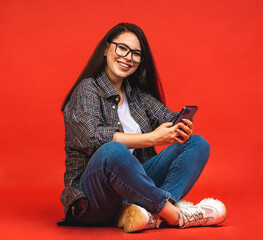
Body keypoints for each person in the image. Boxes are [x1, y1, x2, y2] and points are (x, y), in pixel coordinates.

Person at [58, 22, 227, 233]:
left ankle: (149, 214)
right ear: (106, 49)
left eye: (136, 54)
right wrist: (152, 139)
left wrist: (182, 127)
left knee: (197, 143)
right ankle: (174, 215)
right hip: (94, 198)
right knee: (113, 150)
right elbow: (92, 138)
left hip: (133, 193)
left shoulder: (137, 96)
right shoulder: (87, 90)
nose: (128, 57)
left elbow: (170, 117)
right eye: (122, 48)